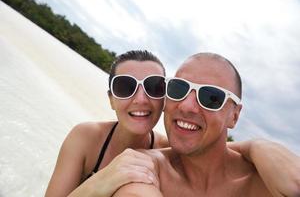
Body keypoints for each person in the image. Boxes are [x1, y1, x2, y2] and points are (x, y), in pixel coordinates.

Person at [113, 52, 300, 196]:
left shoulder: (267, 181)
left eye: (211, 97)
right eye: (178, 89)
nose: (186, 106)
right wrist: (254, 146)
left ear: (234, 116)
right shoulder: (144, 169)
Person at [45, 50, 169, 197]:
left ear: (164, 100)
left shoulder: (169, 151)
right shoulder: (85, 138)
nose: (141, 99)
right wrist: (101, 181)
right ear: (111, 100)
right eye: (125, 88)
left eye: (154, 88)